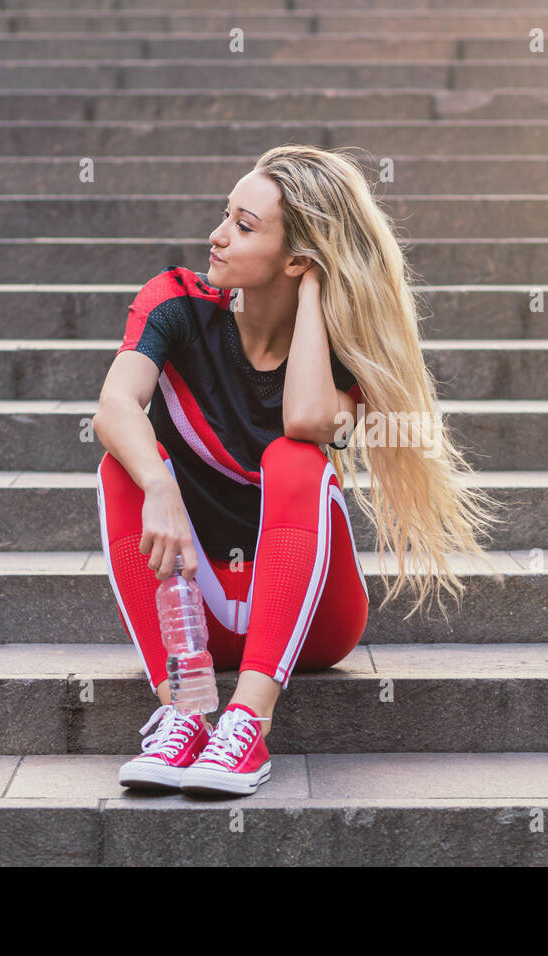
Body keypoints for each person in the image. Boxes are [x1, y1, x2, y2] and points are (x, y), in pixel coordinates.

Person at [93, 145, 507, 797]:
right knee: (124, 465)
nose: (218, 235)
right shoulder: (175, 301)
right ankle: (186, 712)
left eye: (244, 226)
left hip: (311, 623)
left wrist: (314, 288)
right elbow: (114, 407)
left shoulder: (341, 354)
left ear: (296, 259)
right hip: (194, 606)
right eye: (225, 215)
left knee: (294, 459)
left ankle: (247, 729)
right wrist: (160, 485)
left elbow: (308, 424)